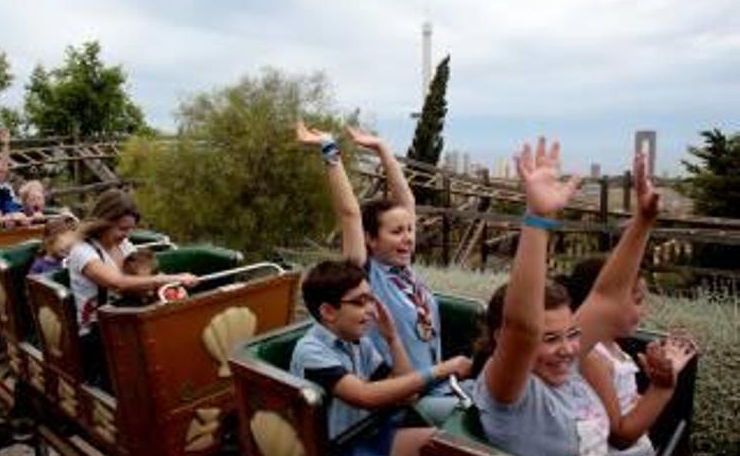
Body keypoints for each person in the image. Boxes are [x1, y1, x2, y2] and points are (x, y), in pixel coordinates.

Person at [472, 141, 665, 456]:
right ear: (501, 338)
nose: (568, 349)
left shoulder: (565, 366)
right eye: (548, 338)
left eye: (572, 333)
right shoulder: (512, 393)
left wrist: (643, 220)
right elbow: (522, 327)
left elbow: (605, 298)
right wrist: (537, 219)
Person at [296, 121, 472, 425]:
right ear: (371, 240)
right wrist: (329, 150)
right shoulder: (365, 276)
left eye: (409, 230)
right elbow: (350, 214)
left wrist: (383, 150)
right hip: (404, 398)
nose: (407, 237)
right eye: (396, 232)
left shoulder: (405, 273)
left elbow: (407, 203)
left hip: (438, 387)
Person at [291, 260, 470, 456]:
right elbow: (365, 395)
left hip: (369, 433)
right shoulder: (311, 350)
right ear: (328, 311)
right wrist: (442, 370)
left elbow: (408, 396)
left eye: (371, 300)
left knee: (445, 445)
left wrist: (392, 338)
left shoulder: (358, 342)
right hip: (339, 448)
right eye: (360, 302)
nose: (370, 309)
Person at [561, 257, 696, 455]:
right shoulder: (593, 359)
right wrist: (661, 387)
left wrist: (646, 396)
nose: (645, 311)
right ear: (603, 303)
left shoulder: (612, 347)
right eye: (638, 301)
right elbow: (620, 437)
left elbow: (624, 404)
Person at [66, 189, 197, 386]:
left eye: (130, 229)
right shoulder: (83, 251)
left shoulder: (124, 245)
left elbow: (146, 275)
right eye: (121, 229)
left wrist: (174, 283)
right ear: (104, 222)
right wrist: (168, 278)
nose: (126, 235)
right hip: (98, 330)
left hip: (127, 316)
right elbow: (116, 282)